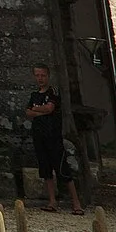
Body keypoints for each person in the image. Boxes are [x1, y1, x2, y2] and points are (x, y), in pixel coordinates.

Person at [25, 64, 82, 215]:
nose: (40, 78)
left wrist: (37, 110)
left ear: (48, 76)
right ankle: (52, 201)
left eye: (42, 75)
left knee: (63, 169)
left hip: (53, 137)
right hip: (39, 136)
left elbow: (49, 108)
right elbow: (28, 112)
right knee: (45, 170)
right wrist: (39, 111)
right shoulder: (34, 95)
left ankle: (76, 203)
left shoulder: (53, 92)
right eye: (37, 75)